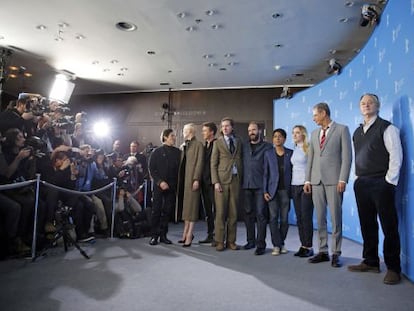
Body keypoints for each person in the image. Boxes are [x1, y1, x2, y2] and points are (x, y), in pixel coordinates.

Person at [348, 94, 403, 285]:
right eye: (363, 103)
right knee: (367, 225)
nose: (366, 105)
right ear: (359, 107)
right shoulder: (357, 131)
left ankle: (393, 268)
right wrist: (357, 178)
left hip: (382, 183)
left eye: (370, 102)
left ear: (377, 106)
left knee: (389, 227)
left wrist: (389, 181)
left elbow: (396, 156)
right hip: (362, 183)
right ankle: (371, 262)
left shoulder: (387, 128)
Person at [304, 103, 352, 268]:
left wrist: (343, 179)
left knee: (335, 217)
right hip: (316, 181)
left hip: (334, 181)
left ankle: (336, 253)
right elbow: (311, 158)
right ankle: (323, 251)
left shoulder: (342, 130)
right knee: (319, 217)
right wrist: (307, 180)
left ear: (323, 113)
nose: (313, 118)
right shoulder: (314, 133)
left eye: (315, 115)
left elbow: (347, 157)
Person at [211, 117, 243, 251]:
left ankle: (231, 241)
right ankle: (219, 241)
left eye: (227, 126)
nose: (224, 128)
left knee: (233, 213)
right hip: (221, 181)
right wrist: (215, 182)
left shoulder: (238, 141)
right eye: (222, 126)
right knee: (220, 213)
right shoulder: (217, 142)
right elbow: (213, 163)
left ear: (232, 127)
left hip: (235, 180)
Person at [241, 121, 272, 254]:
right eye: (249, 131)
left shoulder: (268, 147)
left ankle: (261, 244)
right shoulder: (244, 147)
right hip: (247, 185)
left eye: (253, 130)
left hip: (261, 186)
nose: (251, 133)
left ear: (259, 131)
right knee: (248, 214)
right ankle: (250, 241)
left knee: (261, 215)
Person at [148, 129, 180, 245]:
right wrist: (160, 182)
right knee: (156, 210)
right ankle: (154, 236)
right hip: (159, 186)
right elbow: (151, 169)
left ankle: (163, 235)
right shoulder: (156, 151)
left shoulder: (178, 152)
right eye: (172, 136)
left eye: (174, 136)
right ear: (165, 137)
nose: (174, 138)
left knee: (167, 211)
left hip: (172, 186)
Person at [263, 129, 293, 255]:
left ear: (284, 139)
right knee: (274, 218)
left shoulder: (290, 153)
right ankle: (277, 245)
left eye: (280, 137)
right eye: (275, 136)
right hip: (272, 191)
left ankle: (281, 242)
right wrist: (265, 190)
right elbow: (265, 174)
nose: (277, 139)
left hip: (286, 191)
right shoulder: (268, 153)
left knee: (285, 220)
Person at [177, 123, 204, 247]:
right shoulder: (184, 146)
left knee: (192, 208)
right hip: (184, 180)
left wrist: (196, 179)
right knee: (186, 208)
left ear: (190, 131)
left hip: (193, 180)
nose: (183, 133)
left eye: (184, 130)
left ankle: (189, 234)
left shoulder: (198, 145)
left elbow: (199, 163)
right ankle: (185, 233)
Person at [291, 125, 314, 257]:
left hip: (306, 186)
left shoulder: (309, 149)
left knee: (306, 217)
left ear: (303, 135)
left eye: (297, 133)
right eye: (293, 133)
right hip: (294, 186)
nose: (294, 135)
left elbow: (312, 167)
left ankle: (309, 246)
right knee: (299, 218)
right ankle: (303, 245)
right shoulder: (294, 149)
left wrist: (308, 182)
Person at [198, 122, 217, 244]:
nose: (203, 133)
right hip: (204, 183)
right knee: (208, 211)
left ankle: (218, 236)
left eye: (205, 131)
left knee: (217, 211)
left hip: (214, 182)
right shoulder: (204, 146)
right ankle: (210, 234)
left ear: (212, 132)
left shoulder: (217, 144)